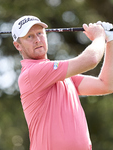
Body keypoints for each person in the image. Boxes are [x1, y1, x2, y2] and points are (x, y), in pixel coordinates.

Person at [12, 15, 113, 150]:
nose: (37, 40)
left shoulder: (62, 76)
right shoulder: (32, 72)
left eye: (40, 33)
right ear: (18, 45)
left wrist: (110, 40)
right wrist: (100, 36)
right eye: (29, 36)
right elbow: (91, 60)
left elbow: (106, 85)